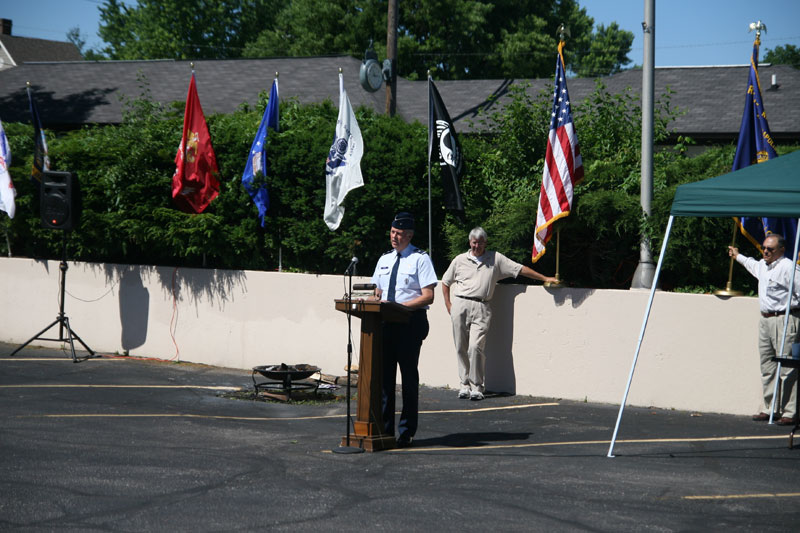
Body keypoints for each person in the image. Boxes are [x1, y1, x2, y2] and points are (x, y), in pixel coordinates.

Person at [442, 227, 558, 400]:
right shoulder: (459, 260)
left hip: (482, 306)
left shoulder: (495, 259)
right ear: (470, 243)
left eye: (480, 243)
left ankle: (477, 386)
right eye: (474, 243)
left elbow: (520, 269)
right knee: (460, 347)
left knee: (475, 347)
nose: (477, 246)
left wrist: (545, 278)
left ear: (485, 243)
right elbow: (445, 282)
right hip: (460, 304)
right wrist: (449, 305)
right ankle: (464, 384)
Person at [371, 212, 437, 447]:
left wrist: (400, 306)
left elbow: (428, 295)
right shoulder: (384, 259)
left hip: (410, 323)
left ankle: (406, 431)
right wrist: (372, 302)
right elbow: (376, 292)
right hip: (385, 324)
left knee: (408, 378)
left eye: (399, 234)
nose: (394, 237)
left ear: (409, 235)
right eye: (392, 232)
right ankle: (385, 430)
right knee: (385, 380)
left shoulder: (420, 259)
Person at [729, 234, 799, 425]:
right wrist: (737, 255)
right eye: (763, 248)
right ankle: (771, 408)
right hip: (766, 319)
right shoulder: (763, 265)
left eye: (770, 249)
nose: (765, 252)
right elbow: (751, 264)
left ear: (781, 251)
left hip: (785, 319)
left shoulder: (788, 267)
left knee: (787, 367)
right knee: (767, 366)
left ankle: (789, 412)